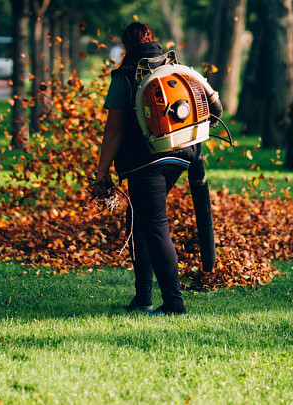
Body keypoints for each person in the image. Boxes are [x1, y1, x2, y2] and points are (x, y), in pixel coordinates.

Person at [94, 22, 202, 316]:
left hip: (147, 162)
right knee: (139, 217)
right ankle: (142, 298)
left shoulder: (125, 76)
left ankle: (174, 304)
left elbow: (114, 130)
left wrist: (102, 171)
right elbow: (211, 105)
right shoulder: (175, 67)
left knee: (155, 227)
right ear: (152, 40)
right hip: (182, 155)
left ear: (126, 46)